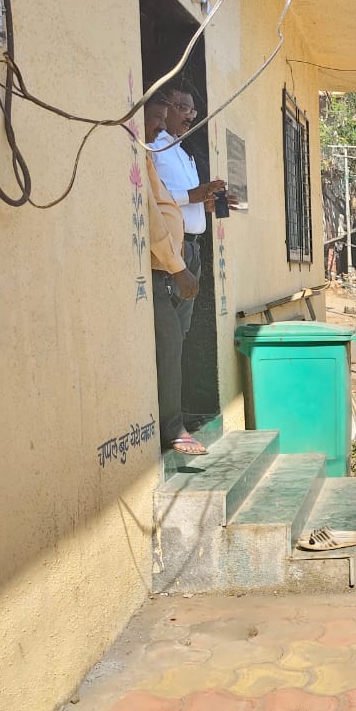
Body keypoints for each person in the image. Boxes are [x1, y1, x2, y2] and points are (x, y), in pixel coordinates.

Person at [143, 95, 206, 456]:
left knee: (175, 339)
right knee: (168, 340)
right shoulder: (149, 152)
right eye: (156, 118)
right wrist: (178, 267)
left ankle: (173, 417)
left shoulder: (169, 152)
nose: (160, 127)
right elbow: (153, 218)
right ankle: (171, 426)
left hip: (175, 258)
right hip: (163, 265)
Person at [149, 84, 226, 341]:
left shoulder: (182, 151)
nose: (190, 116)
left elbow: (184, 198)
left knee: (181, 331)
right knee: (167, 333)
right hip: (170, 248)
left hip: (193, 247)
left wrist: (205, 203)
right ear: (164, 109)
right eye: (182, 108)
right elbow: (152, 199)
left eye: (193, 111)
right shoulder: (154, 147)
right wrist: (192, 195)